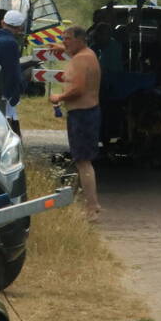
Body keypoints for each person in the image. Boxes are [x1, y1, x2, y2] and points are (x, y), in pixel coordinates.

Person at [49, 25, 102, 220]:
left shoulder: (81, 60)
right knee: (82, 161)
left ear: (80, 40)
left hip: (83, 114)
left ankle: (92, 206)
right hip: (86, 112)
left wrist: (58, 97)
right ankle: (90, 204)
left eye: (68, 39)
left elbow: (78, 89)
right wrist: (63, 49)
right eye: (63, 38)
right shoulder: (88, 54)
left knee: (83, 161)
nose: (64, 41)